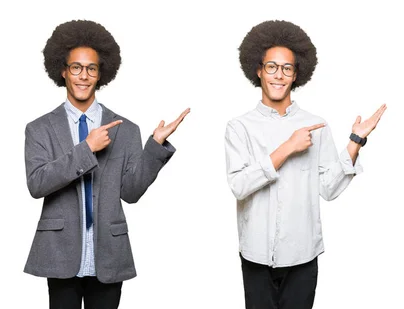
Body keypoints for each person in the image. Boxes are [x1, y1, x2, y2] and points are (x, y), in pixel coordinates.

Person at [24, 19, 189, 309]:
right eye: (76, 67)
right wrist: (87, 148)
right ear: (63, 71)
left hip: (109, 252)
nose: (83, 76)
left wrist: (155, 146)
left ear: (101, 74)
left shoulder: (126, 129)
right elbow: (37, 184)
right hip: (60, 252)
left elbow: (131, 192)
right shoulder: (39, 129)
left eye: (91, 68)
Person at [225, 20, 387, 309]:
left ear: (296, 74)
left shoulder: (315, 125)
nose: (278, 75)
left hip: (302, 256)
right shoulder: (239, 127)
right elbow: (239, 186)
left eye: (287, 68)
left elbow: (328, 188)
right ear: (259, 70)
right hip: (256, 255)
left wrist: (355, 141)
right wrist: (287, 148)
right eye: (271, 67)